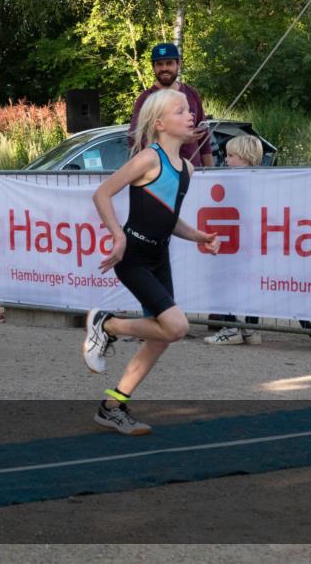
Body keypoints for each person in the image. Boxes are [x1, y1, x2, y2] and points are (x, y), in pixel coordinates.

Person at [84, 89, 221, 435]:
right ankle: (107, 325)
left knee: (161, 337)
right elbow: (102, 193)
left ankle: (113, 406)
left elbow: (168, 218)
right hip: (133, 258)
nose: (190, 116)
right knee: (177, 327)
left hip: (159, 259)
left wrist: (199, 236)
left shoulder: (187, 168)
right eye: (180, 111)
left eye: (189, 111)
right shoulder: (148, 158)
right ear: (160, 123)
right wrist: (118, 235)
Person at [204, 135, 264, 346]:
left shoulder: (237, 183)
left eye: (230, 156)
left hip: (238, 242)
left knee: (228, 282)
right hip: (250, 241)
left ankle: (232, 328)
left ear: (245, 157)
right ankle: (251, 329)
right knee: (248, 283)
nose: (226, 160)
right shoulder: (260, 179)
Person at [129, 43, 214, 167]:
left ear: (178, 64)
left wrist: (210, 173)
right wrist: (181, 138)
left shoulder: (191, 93)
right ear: (153, 67)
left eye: (169, 63)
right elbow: (134, 139)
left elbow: (205, 141)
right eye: (159, 64)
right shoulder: (146, 99)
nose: (164, 68)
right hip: (161, 175)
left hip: (194, 174)